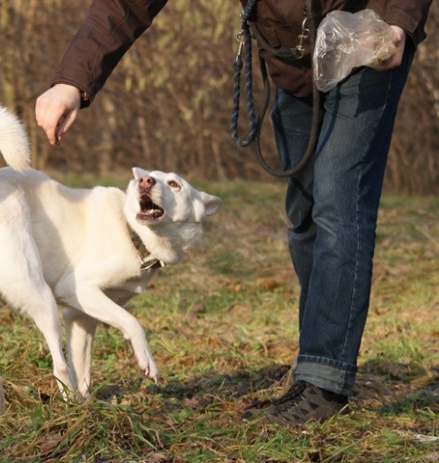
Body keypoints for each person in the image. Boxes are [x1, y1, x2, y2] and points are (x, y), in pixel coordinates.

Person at [35, 0, 431, 425]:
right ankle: (310, 364)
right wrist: (73, 81)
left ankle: (324, 380)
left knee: (338, 207)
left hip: (368, 43)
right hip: (291, 59)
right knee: (304, 215)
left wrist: (398, 24)